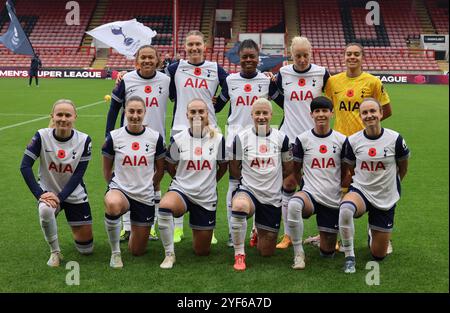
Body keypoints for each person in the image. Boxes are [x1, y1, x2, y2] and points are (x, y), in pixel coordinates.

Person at [309, 42, 393, 253]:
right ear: (343, 56)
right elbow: (326, 108)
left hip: (363, 145)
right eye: (349, 54)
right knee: (338, 187)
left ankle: (377, 231)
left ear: (362, 57)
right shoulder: (333, 81)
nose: (352, 57)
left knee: (371, 185)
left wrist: (367, 128)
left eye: (356, 54)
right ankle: (332, 234)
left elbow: (386, 110)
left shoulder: (372, 82)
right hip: (338, 143)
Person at [214, 39, 282, 247]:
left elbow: (282, 102)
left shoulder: (265, 81)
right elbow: (218, 106)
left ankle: (255, 230)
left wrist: (275, 82)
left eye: (252, 56)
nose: (249, 60)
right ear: (239, 58)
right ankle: (232, 234)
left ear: (258, 57)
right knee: (234, 186)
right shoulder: (231, 80)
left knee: (259, 184)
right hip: (234, 140)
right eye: (245, 57)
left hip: (260, 141)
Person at [165, 30, 228, 243]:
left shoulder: (214, 68)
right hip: (181, 129)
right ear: (185, 47)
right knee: (179, 175)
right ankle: (177, 227)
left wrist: (218, 105)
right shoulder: (175, 68)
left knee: (207, 176)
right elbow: (168, 91)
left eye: (198, 45)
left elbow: (231, 85)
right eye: (190, 45)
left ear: (205, 46)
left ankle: (206, 225)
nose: (194, 48)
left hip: (210, 131)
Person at [105, 45, 170, 242]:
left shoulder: (167, 80)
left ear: (158, 60)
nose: (147, 61)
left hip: (155, 139)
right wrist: (109, 136)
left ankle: (150, 226)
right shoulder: (127, 79)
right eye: (143, 57)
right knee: (126, 180)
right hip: (127, 140)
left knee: (155, 181)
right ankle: (126, 226)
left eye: (151, 57)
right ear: (137, 60)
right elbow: (114, 109)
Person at [339, 98, 409, 273]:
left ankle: (373, 233)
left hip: (386, 196)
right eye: (365, 112)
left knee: (378, 255)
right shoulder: (353, 141)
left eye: (372, 111)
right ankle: (349, 256)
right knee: (346, 208)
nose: (369, 115)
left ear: (380, 113)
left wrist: (390, 184)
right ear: (361, 116)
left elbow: (403, 167)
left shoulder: (395, 139)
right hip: (361, 191)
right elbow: (350, 168)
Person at [20, 99, 93, 267]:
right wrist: (40, 194)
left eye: (68, 115)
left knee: (86, 249)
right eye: (59, 114)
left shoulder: (84, 140)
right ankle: (55, 252)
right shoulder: (41, 136)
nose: (63, 119)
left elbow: (78, 175)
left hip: (74, 194)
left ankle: (76, 231)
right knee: (45, 210)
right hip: (48, 194)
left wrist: (60, 197)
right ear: (52, 116)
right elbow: (25, 166)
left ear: (75, 117)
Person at [273, 36, 330, 249]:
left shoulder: (322, 73)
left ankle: (325, 235)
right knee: (288, 183)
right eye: (298, 55)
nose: (302, 59)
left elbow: (329, 100)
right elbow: (276, 94)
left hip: (315, 140)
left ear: (311, 53)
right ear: (291, 55)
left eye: (306, 55)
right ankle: (288, 235)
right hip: (289, 139)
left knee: (322, 186)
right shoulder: (283, 73)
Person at [157, 99, 227, 269]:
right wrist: (181, 180)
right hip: (182, 191)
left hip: (206, 196)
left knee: (201, 251)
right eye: (193, 112)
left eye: (201, 111)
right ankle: (169, 254)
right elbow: (169, 166)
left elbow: (223, 166)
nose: (197, 115)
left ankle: (201, 231)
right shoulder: (178, 139)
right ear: (187, 115)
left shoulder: (218, 139)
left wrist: (210, 181)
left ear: (207, 114)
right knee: (165, 207)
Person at [229, 98, 293, 271]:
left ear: (271, 115)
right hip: (249, 191)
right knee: (240, 206)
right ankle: (239, 254)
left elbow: (288, 167)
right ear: (252, 115)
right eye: (258, 113)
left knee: (266, 252)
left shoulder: (282, 138)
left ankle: (258, 230)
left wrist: (275, 184)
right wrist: (243, 185)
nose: (261, 117)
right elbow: (234, 167)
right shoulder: (241, 138)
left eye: (265, 113)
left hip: (271, 196)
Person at [102, 96, 165, 268]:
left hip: (144, 196)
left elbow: (160, 169)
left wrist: (151, 185)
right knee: (113, 204)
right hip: (120, 190)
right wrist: (113, 187)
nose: (135, 115)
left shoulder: (155, 138)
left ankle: (134, 233)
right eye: (131, 111)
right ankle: (115, 253)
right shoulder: (114, 137)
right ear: (125, 112)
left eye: (139, 111)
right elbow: (107, 169)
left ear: (145, 113)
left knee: (137, 251)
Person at [287, 96, 347, 269]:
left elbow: (345, 171)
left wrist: (341, 191)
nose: (321, 114)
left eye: (324, 111)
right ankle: (298, 254)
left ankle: (321, 239)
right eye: (317, 111)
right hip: (310, 195)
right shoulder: (302, 139)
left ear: (332, 113)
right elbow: (295, 169)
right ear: (311, 114)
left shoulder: (342, 140)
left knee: (327, 254)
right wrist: (304, 188)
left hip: (332, 198)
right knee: (294, 204)